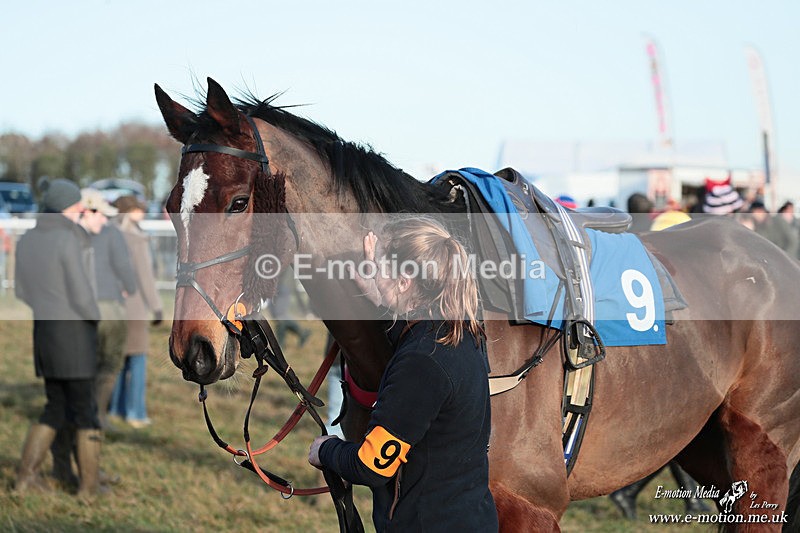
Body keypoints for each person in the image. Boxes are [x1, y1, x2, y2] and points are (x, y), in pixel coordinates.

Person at [308, 218, 498, 532]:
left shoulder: (422, 363)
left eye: (379, 267)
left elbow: (372, 465)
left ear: (405, 281)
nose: (374, 274)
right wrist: (381, 297)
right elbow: (410, 337)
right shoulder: (456, 332)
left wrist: (326, 450)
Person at [13, 178, 102, 499]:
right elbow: (81, 293)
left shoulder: (26, 239)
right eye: (78, 202)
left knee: (53, 408)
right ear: (68, 205)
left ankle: (25, 479)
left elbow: (21, 290)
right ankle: (89, 488)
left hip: (45, 335)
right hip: (75, 337)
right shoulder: (69, 238)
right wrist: (95, 315)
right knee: (86, 413)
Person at [108, 195, 164, 428]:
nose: (142, 213)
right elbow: (145, 277)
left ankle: (114, 407)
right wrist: (157, 307)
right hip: (135, 306)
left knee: (119, 359)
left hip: (113, 306)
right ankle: (136, 412)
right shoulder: (136, 239)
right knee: (138, 361)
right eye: (137, 209)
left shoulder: (107, 235)